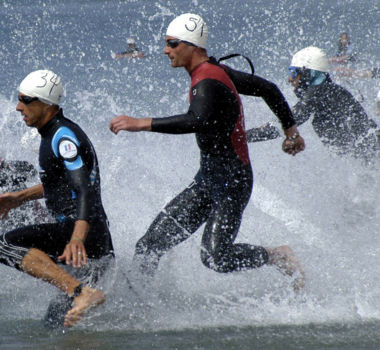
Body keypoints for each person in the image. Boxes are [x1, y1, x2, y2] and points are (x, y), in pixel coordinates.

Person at [109, 13, 306, 292]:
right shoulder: (215, 72)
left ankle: (277, 256)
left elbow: (196, 120)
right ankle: (140, 306)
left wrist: (141, 123)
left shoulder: (209, 80)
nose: (166, 50)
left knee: (216, 257)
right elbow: (268, 88)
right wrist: (291, 133)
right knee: (149, 245)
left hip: (232, 183)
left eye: (172, 44)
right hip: (208, 180)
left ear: (193, 46)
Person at [0, 70, 115, 328]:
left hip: (82, 237)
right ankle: (81, 294)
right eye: (18, 98)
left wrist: (77, 238)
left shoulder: (62, 137)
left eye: (25, 99)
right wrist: (20, 197)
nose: (18, 106)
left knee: (3, 246)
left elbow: (84, 189)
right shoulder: (52, 133)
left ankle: (81, 292)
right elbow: (60, 183)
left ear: (46, 104)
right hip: (91, 241)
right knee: (57, 326)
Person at [247, 47, 380, 163]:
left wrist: (239, 136)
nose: (289, 79)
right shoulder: (327, 91)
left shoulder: (320, 92)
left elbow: (286, 122)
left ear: (307, 73)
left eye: (293, 72)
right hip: (368, 161)